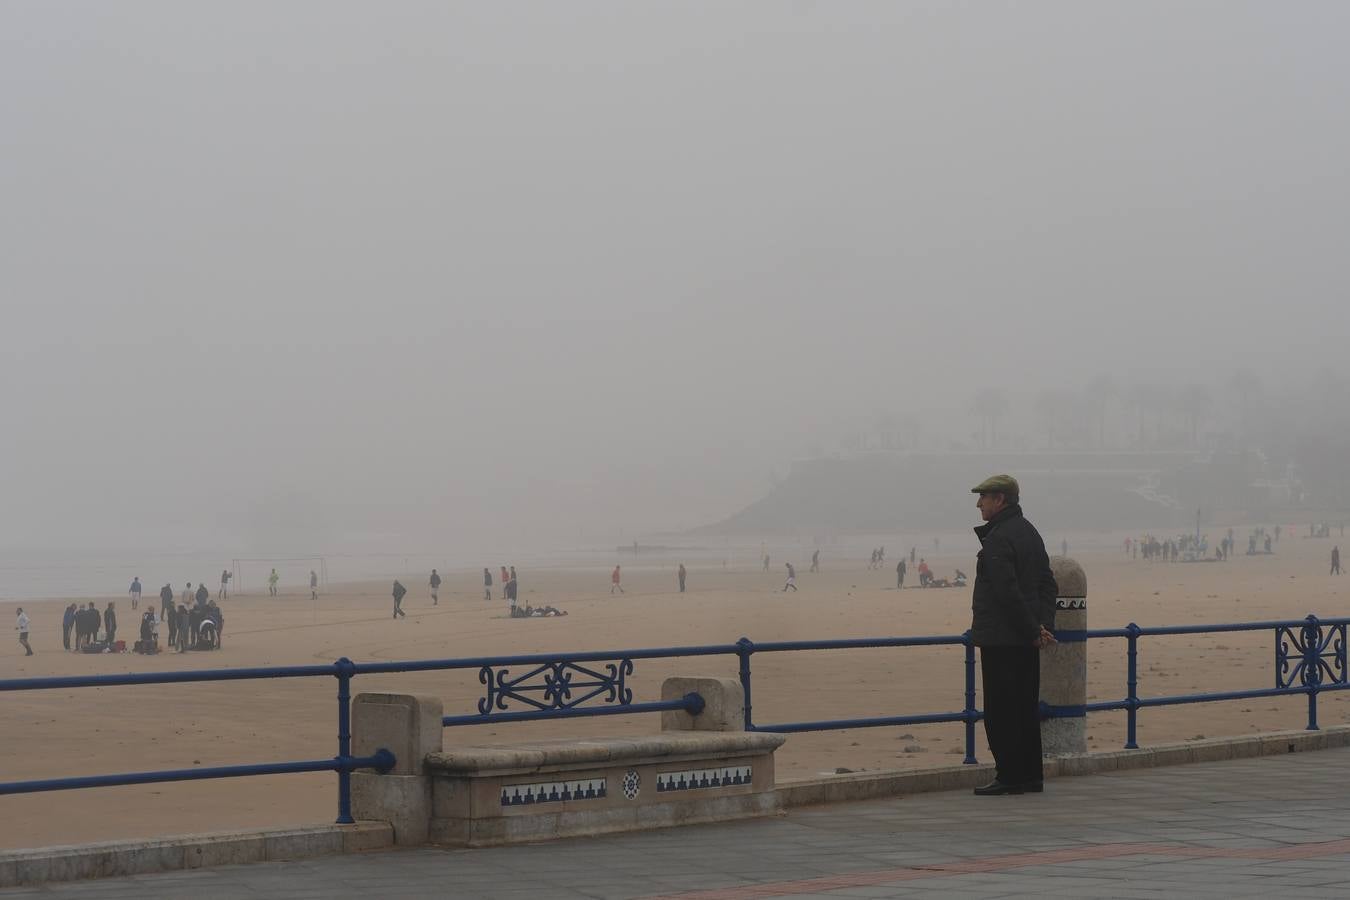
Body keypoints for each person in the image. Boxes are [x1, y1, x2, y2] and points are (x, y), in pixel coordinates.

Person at [968, 474, 1057, 796]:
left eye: (984, 498)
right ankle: (1030, 776)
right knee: (1024, 709)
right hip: (1025, 637)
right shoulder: (1029, 532)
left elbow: (1007, 593)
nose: (979, 504)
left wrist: (1034, 630)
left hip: (1002, 639)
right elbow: (1047, 584)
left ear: (1001, 500)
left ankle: (1008, 776)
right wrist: (1044, 627)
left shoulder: (998, 538)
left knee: (1002, 711)